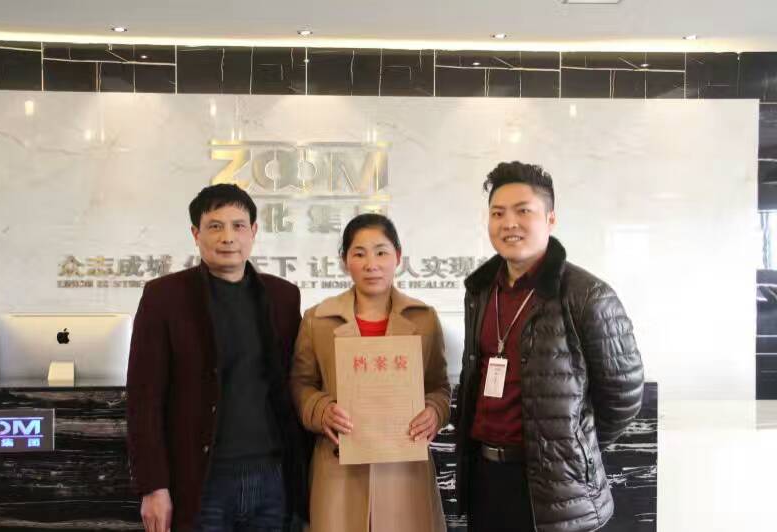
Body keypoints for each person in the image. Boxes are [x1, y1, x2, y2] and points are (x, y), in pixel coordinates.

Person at [455, 162, 644, 532]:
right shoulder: (481, 291)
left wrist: (571, 449)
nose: (509, 223)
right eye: (498, 213)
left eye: (523, 211)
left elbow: (624, 397)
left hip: (557, 488)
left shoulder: (588, 295)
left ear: (550, 219)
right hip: (486, 478)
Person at [126, 183, 308, 532]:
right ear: (196, 234)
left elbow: (297, 382)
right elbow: (143, 398)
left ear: (253, 231)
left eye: (238, 226)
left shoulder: (283, 297)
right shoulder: (164, 297)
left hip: (273, 480)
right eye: (215, 226)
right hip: (201, 481)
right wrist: (153, 486)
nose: (228, 237)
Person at [290, 213, 450, 532]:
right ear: (344, 261)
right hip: (339, 468)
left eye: (381, 252)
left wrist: (435, 411)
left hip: (404, 468)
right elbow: (300, 383)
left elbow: (439, 386)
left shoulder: (424, 319)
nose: (371, 264)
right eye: (359, 254)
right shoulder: (317, 319)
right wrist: (321, 410)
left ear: (398, 257)